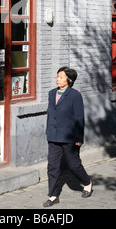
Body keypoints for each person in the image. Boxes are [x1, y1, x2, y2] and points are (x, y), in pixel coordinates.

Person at [43, 67, 93, 208]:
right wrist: (49, 131)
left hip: (69, 136)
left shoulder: (75, 95)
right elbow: (51, 114)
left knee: (73, 165)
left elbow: (79, 118)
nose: (57, 79)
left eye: (61, 77)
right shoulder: (52, 93)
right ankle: (53, 195)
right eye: (57, 76)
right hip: (53, 136)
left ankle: (87, 183)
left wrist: (79, 137)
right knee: (52, 166)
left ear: (69, 80)